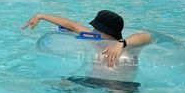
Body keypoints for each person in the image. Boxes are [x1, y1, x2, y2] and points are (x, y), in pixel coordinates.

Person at [22, 9, 151, 67]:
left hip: (119, 86)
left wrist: (122, 43)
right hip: (92, 83)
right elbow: (71, 25)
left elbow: (146, 36)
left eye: (97, 29)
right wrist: (41, 16)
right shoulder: (95, 39)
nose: (93, 30)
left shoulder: (126, 47)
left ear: (107, 32)